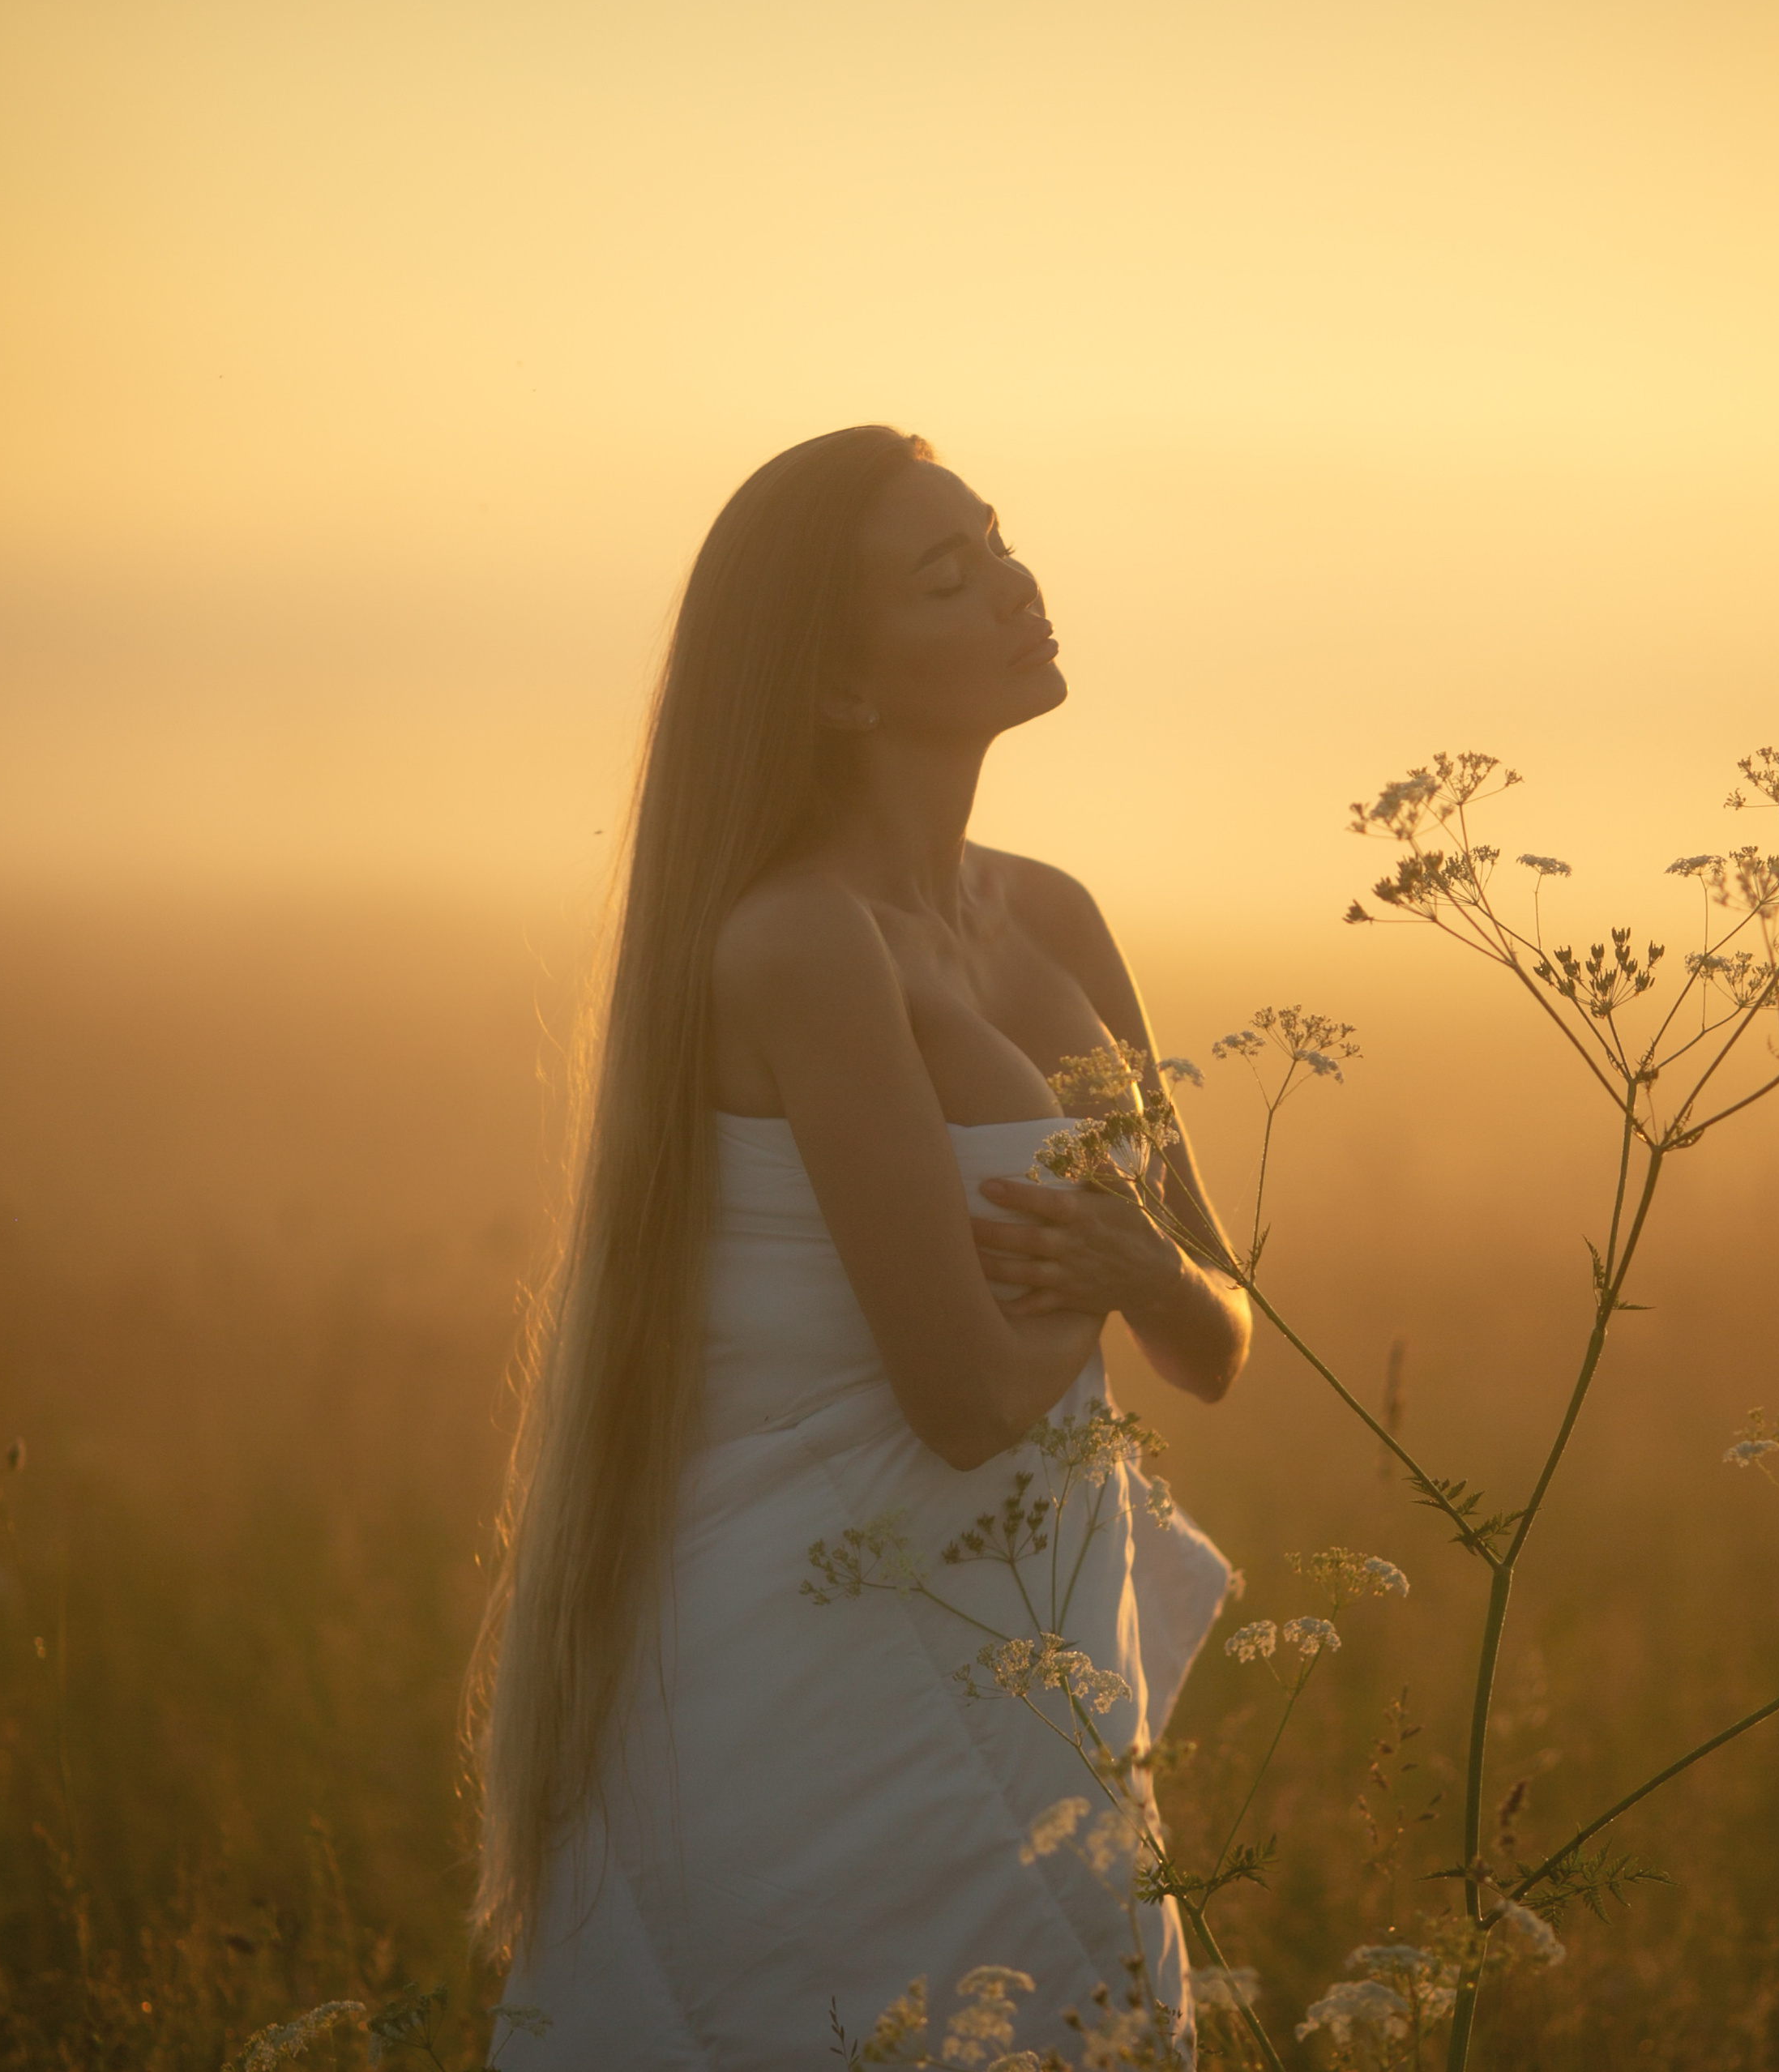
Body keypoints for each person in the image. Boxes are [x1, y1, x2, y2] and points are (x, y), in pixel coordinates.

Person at [473, 426, 1251, 2068]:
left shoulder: (1054, 912)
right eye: (945, 576)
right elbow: (960, 1393)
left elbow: (1220, 1330)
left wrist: (1138, 1275)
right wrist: (1109, 1278)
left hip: (1038, 1634)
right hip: (811, 1657)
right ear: (834, 688)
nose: (1015, 586)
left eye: (998, 540)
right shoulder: (797, 940)